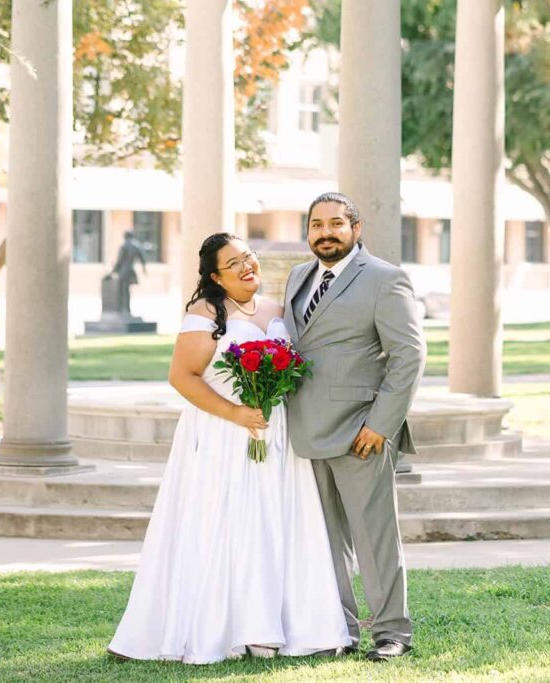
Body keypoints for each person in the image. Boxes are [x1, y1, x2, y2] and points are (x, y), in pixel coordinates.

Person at [107, 232, 351, 664]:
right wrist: (235, 413)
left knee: (276, 523)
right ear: (216, 275)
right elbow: (182, 377)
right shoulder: (205, 314)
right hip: (222, 435)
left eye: (249, 257)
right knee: (229, 523)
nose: (246, 266)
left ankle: (277, 626)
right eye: (234, 262)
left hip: (273, 434)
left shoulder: (278, 310)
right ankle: (228, 628)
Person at [284, 192, 426, 662]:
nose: (325, 232)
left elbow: (409, 357)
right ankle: (339, 627)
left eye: (335, 224)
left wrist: (382, 425)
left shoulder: (385, 279)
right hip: (304, 431)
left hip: (360, 431)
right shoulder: (298, 277)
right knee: (325, 539)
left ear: (356, 229)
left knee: (375, 537)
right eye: (316, 224)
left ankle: (392, 632)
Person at [108, 231, 148, 316]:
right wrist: (144, 268)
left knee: (122, 291)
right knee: (127, 291)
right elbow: (143, 258)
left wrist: (112, 272)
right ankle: (127, 309)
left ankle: (123, 309)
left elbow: (119, 261)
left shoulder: (124, 246)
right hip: (131, 270)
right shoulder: (137, 245)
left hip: (123, 271)